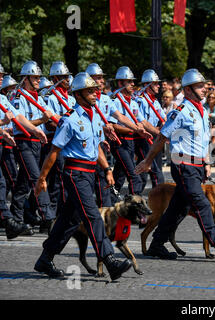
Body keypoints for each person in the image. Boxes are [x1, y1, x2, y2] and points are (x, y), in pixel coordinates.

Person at [33, 72, 132, 280]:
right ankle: (109, 259)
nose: (96, 94)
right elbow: (54, 151)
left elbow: (96, 147)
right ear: (78, 95)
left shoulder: (94, 117)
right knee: (92, 216)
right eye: (90, 91)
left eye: (95, 90)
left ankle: (45, 258)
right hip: (75, 173)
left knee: (69, 220)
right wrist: (41, 178)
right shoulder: (70, 119)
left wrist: (106, 170)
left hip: (89, 173)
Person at [135, 68, 215, 261]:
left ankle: (157, 244)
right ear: (189, 89)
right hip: (183, 165)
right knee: (202, 204)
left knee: (178, 208)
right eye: (200, 86)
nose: (205, 89)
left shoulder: (201, 111)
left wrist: (206, 162)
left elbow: (201, 141)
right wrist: (148, 160)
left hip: (196, 166)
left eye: (204, 85)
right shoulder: (181, 111)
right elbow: (162, 136)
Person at [10, 61, 55, 233]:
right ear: (26, 78)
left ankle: (16, 219)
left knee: (23, 183)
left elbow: (50, 116)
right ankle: (48, 217)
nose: (38, 80)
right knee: (38, 178)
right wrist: (39, 125)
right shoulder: (18, 96)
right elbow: (20, 120)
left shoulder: (39, 97)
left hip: (37, 143)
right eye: (35, 77)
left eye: (39, 78)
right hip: (24, 141)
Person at [110, 66, 158, 200]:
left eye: (133, 81)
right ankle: (134, 207)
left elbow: (142, 122)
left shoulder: (133, 102)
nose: (133, 84)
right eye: (129, 82)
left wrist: (159, 133)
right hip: (119, 142)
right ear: (120, 83)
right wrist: (135, 129)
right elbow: (114, 125)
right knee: (134, 176)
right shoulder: (115, 101)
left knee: (118, 178)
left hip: (130, 142)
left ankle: (109, 201)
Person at [40, 61, 76, 233]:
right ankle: (57, 217)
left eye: (67, 77)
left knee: (59, 182)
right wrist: (65, 123)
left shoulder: (70, 97)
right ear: (54, 78)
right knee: (59, 181)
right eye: (62, 77)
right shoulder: (50, 97)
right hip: (56, 143)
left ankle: (52, 218)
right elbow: (48, 124)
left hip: (70, 144)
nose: (67, 80)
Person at [136, 69, 166, 189]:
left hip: (154, 138)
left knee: (143, 175)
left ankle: (135, 196)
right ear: (147, 85)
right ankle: (161, 197)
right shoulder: (141, 100)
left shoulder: (155, 101)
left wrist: (165, 127)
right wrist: (159, 132)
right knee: (156, 173)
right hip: (143, 139)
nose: (158, 86)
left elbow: (164, 119)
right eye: (155, 83)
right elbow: (142, 123)